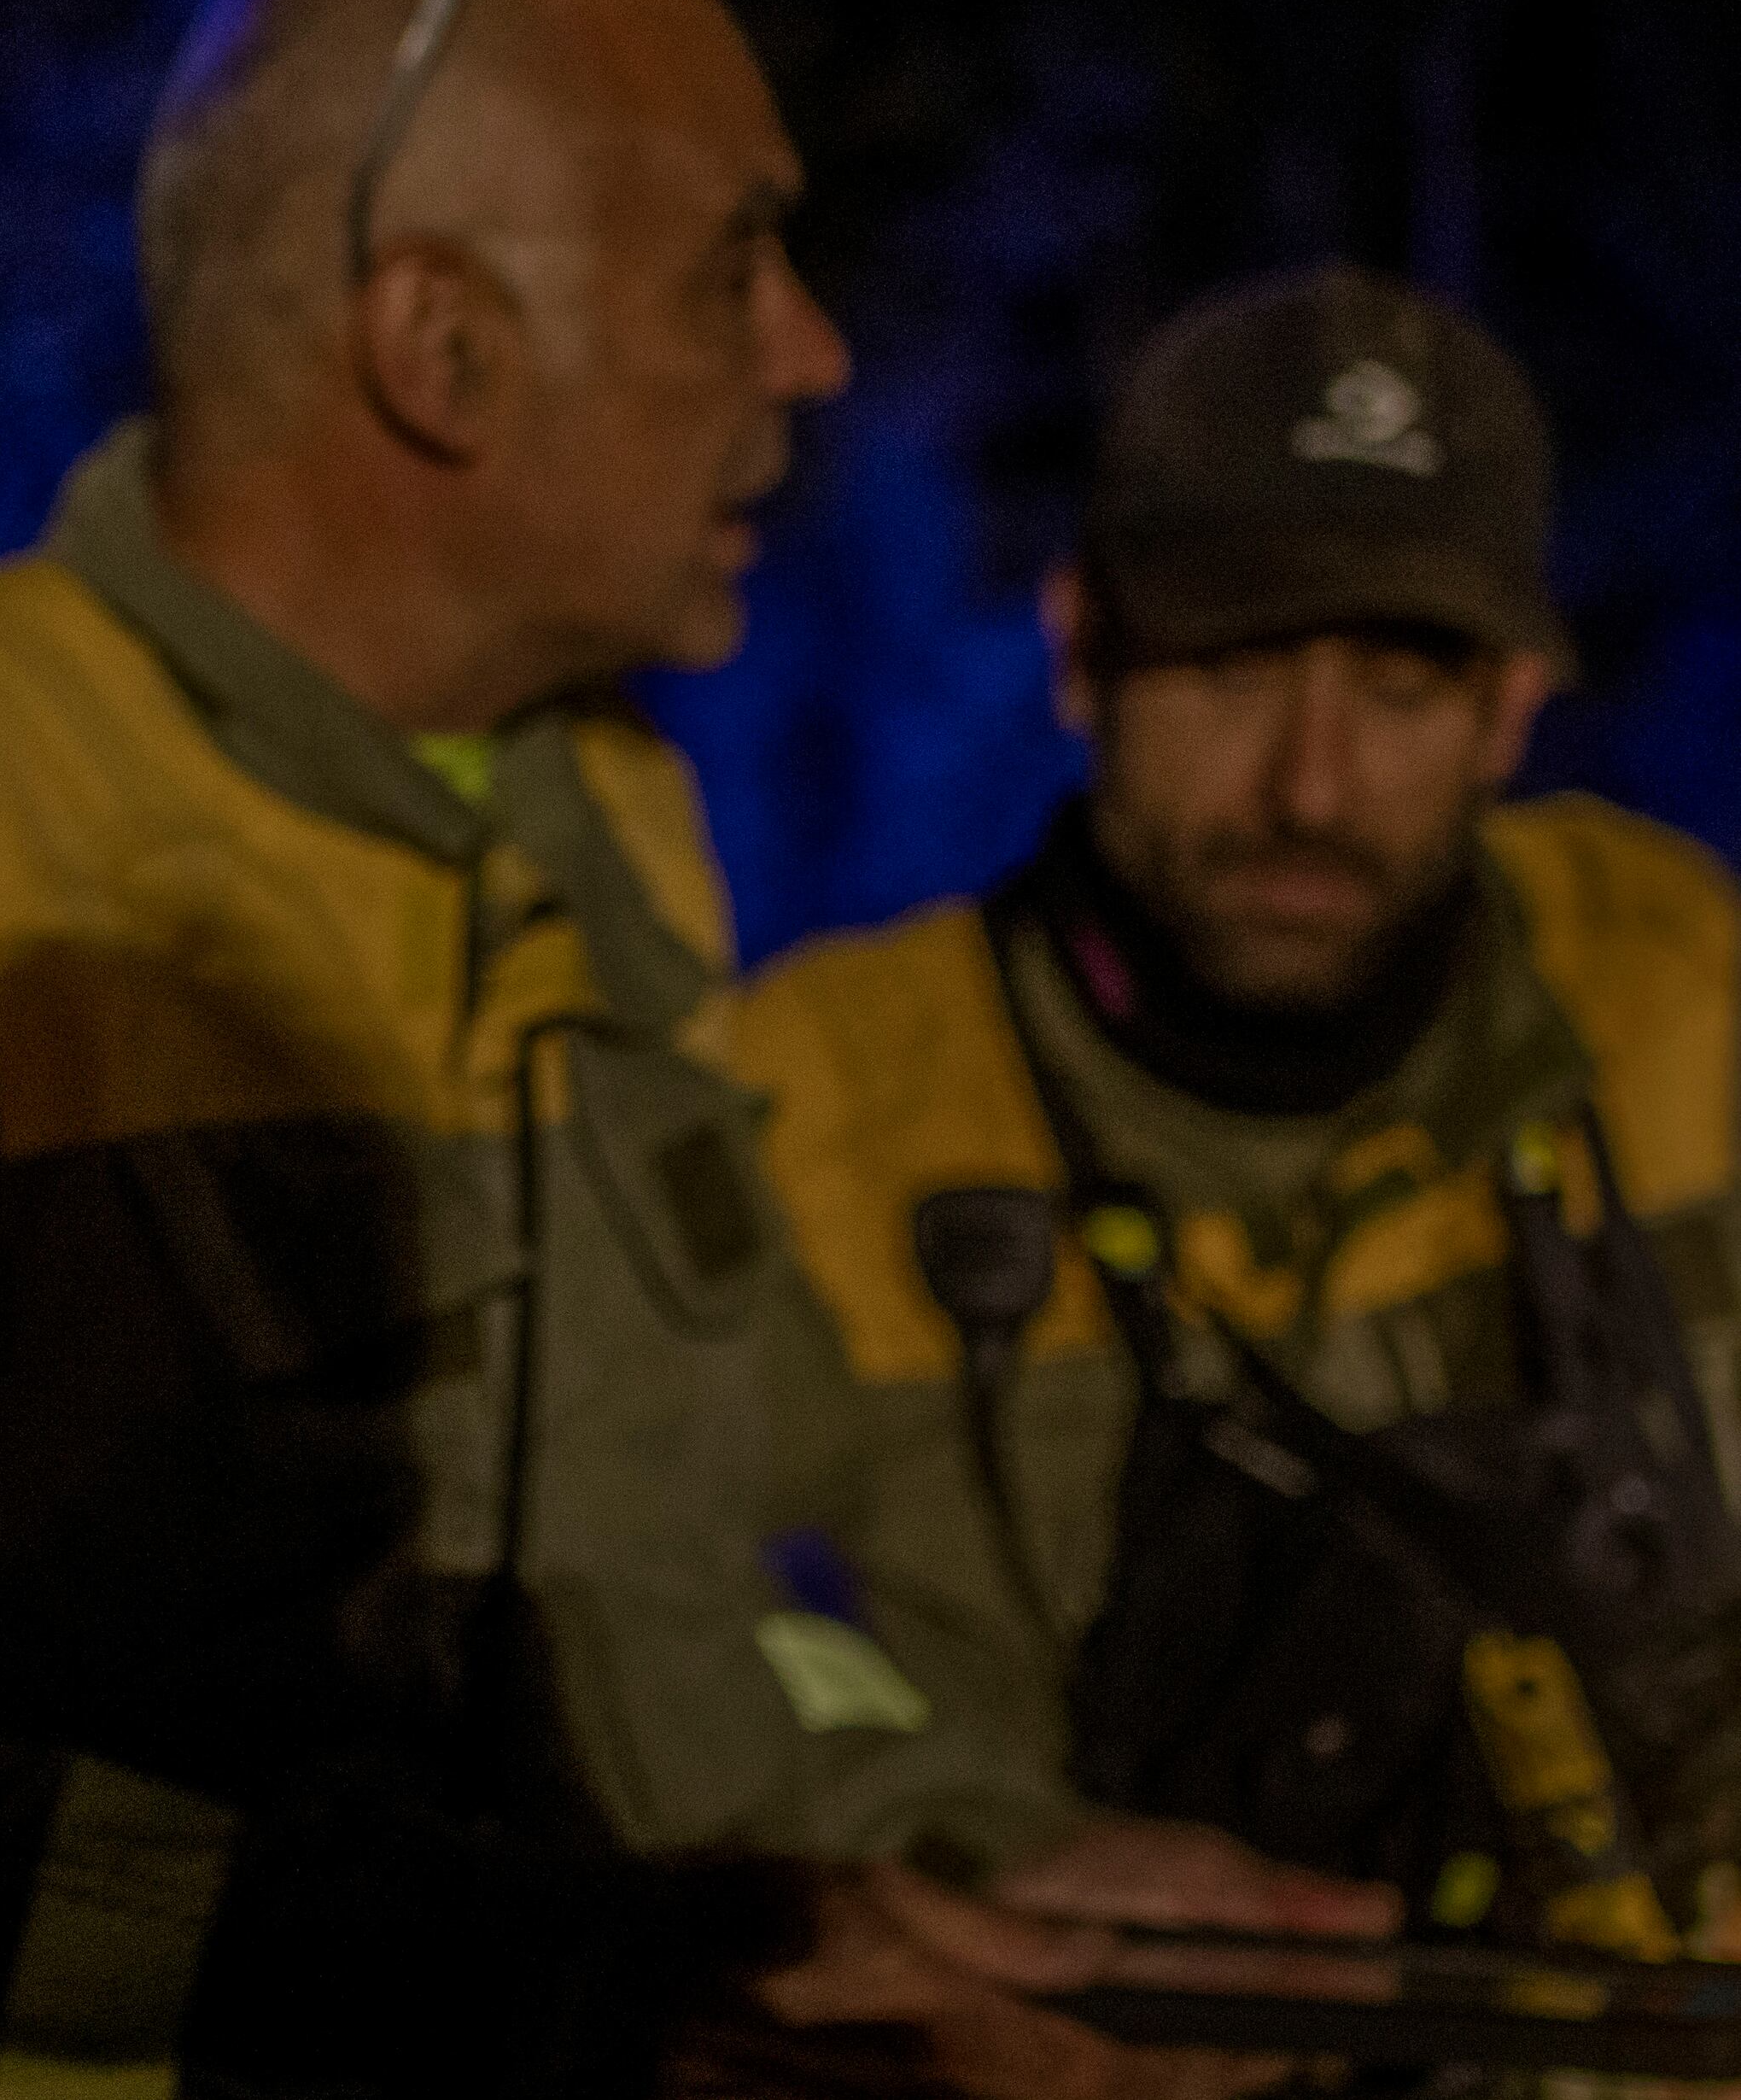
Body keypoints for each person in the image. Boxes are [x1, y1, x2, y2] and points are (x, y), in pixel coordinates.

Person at [0, 0, 1347, 2097]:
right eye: (734, 261)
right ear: (440, 344)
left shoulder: (607, 827)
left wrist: (984, 1865)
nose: (815, 351)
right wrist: (486, 1975)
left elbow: (662, 1620)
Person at [744, 266, 1741, 1956]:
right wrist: (966, 1838)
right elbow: (611, 1620)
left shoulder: (1677, 978)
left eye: (1402, 686)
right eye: (1229, 670)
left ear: (1510, 706)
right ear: (1078, 650)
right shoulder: (816, 1102)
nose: (1309, 784)